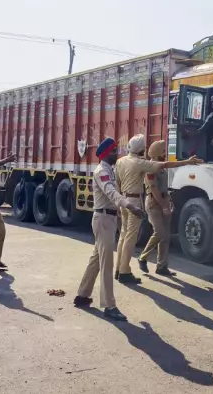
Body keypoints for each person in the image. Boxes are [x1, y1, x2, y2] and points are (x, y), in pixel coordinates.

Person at [115, 134, 202, 284]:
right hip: (134, 201)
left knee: (123, 235)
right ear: (141, 149)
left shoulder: (120, 161)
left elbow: (116, 183)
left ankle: (118, 269)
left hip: (123, 199)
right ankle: (125, 271)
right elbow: (165, 165)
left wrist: (117, 202)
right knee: (131, 237)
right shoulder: (141, 163)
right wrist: (187, 162)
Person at [74, 138, 145, 322]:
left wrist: (121, 213)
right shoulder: (102, 172)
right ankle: (109, 305)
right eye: (114, 152)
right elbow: (112, 193)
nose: (117, 154)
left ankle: (82, 294)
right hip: (103, 219)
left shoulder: (109, 170)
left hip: (108, 218)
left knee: (96, 259)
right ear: (107, 154)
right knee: (107, 264)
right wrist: (131, 206)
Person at [137, 141, 175, 276]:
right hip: (154, 203)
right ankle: (143, 257)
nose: (166, 153)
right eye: (163, 151)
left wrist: (168, 201)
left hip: (164, 200)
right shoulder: (150, 167)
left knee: (166, 237)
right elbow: (153, 188)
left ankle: (162, 266)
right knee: (159, 232)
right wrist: (164, 206)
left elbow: (164, 187)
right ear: (158, 152)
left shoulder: (161, 166)